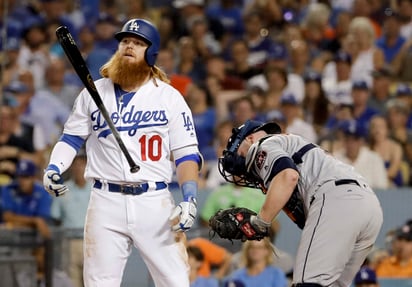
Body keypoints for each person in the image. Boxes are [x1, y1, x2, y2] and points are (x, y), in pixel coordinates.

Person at [42, 18, 202, 287]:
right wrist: (54, 166)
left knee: (176, 282)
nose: (129, 46)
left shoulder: (169, 97)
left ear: (151, 54)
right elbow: (71, 138)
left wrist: (190, 197)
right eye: (125, 41)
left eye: (138, 43)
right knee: (99, 283)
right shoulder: (93, 92)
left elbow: (186, 154)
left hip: (154, 200)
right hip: (105, 200)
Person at [218, 119, 383, 286]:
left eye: (238, 153)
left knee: (307, 283)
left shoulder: (262, 144)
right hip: (369, 206)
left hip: (336, 198)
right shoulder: (295, 148)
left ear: (250, 138)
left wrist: (258, 223)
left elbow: (288, 176)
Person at [1, 159, 52, 285]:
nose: (22, 181)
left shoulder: (42, 193)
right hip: (10, 244)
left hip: (32, 246)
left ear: (33, 177)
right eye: (20, 176)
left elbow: (43, 223)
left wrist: (18, 222)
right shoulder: (8, 189)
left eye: (26, 177)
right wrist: (34, 221)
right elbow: (7, 217)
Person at [50, 152, 92, 287]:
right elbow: (55, 217)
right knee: (72, 280)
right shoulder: (62, 189)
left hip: (92, 241)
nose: (79, 168)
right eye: (76, 164)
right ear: (71, 167)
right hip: (69, 241)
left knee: (94, 279)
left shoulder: (97, 189)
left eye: (82, 164)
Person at [223, 239, 288, 287]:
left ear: (267, 251)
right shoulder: (237, 276)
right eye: (252, 247)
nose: (255, 250)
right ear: (247, 250)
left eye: (259, 247)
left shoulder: (276, 274)